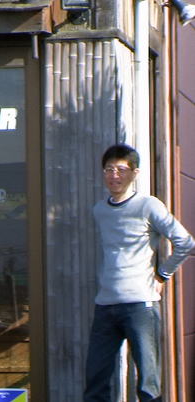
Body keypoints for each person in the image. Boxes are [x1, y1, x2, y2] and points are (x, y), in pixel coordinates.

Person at [84, 144, 195, 401]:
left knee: (147, 382)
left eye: (121, 169)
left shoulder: (148, 205)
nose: (114, 175)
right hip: (105, 305)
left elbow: (185, 242)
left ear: (135, 173)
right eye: (109, 169)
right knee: (95, 381)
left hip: (140, 306)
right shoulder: (100, 210)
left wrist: (162, 275)